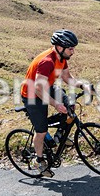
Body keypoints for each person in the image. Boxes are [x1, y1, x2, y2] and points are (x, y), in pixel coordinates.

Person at [21, 29, 91, 176]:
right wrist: (55, 104)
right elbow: (39, 90)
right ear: (60, 47)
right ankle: (39, 161)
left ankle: (60, 136)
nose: (73, 52)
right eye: (71, 48)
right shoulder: (47, 62)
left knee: (70, 105)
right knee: (41, 131)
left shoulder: (61, 58)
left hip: (47, 87)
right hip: (32, 94)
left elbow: (67, 77)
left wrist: (82, 85)